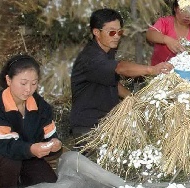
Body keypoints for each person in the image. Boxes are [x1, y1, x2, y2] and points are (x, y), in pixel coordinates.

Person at [70, 8, 173, 138]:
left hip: (106, 122)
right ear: (96, 32)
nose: (117, 36)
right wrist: (152, 70)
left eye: (120, 32)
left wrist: (133, 99)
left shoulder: (107, 50)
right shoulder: (91, 58)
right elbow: (120, 68)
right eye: (112, 32)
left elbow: (111, 80)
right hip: (89, 128)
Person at [0, 54, 62, 188]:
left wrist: (55, 145)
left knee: (49, 183)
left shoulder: (41, 106)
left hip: (27, 155)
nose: (28, 89)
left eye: (34, 83)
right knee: (10, 162)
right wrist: (31, 149)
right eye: (23, 83)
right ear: (8, 80)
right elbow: (6, 146)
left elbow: (50, 135)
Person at [146, 0, 190, 65]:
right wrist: (167, 40)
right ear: (175, 8)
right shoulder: (165, 23)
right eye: (183, 10)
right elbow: (149, 35)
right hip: (160, 70)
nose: (187, 15)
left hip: (185, 71)